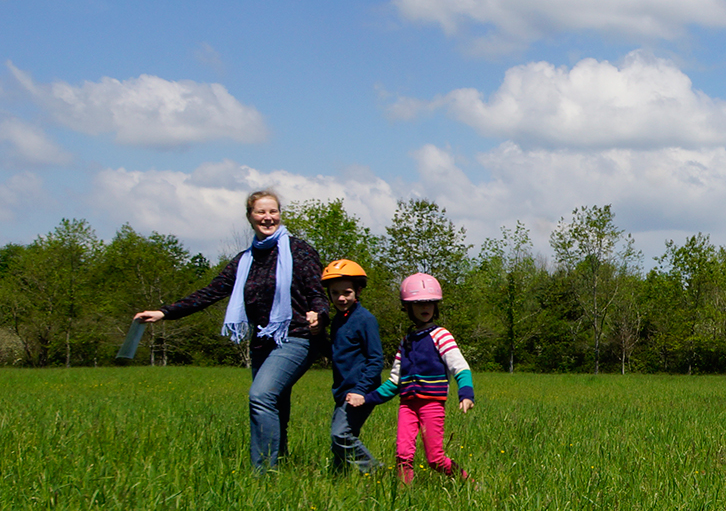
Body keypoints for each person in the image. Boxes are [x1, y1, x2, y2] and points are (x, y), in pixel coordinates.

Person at [135, 190, 327, 473]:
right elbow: (210, 292)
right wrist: (165, 312)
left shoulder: (299, 251)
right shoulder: (244, 260)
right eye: (260, 212)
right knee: (276, 407)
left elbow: (316, 290)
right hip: (261, 342)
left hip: (295, 337)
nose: (268, 217)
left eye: (272, 211)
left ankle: (262, 475)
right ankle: (279, 469)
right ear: (250, 217)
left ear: (280, 214)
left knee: (261, 397)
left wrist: (319, 314)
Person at [363, 273, 476, 485]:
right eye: (418, 304)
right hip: (407, 405)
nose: (425, 307)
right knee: (403, 455)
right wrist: (367, 399)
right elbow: (395, 381)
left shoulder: (441, 335)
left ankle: (467, 482)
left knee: (435, 459)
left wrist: (466, 393)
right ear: (407, 308)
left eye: (430, 303)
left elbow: (460, 367)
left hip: (432, 404)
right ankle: (405, 498)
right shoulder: (406, 341)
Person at [320, 259, 382, 476]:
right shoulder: (338, 321)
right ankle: (338, 478)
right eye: (335, 293)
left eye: (347, 292)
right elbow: (335, 353)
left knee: (340, 434)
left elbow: (376, 359)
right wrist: (317, 335)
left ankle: (375, 471)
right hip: (342, 390)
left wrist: (360, 390)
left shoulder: (365, 320)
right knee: (342, 439)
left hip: (361, 391)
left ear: (358, 291)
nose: (341, 298)